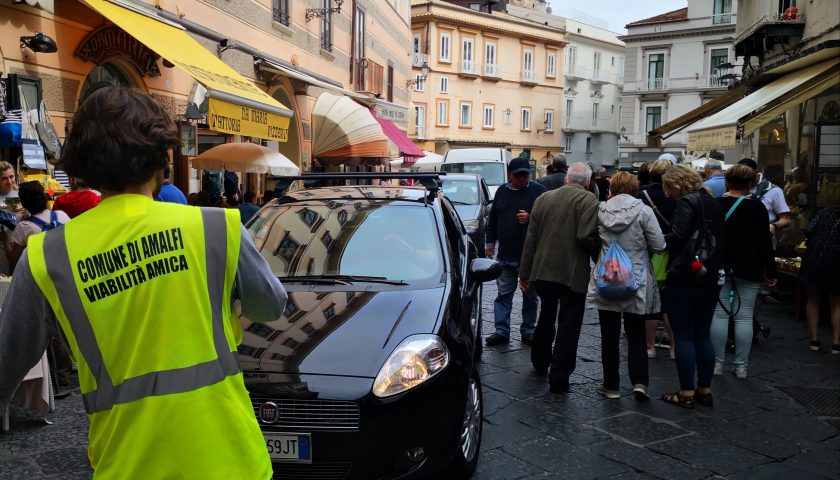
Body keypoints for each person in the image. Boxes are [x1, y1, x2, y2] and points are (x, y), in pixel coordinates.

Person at [0, 87, 287, 480]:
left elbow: (6, 364)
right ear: (161, 161)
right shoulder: (216, 228)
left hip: (128, 464)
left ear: (83, 167)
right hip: (231, 457)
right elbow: (271, 306)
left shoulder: (47, 256)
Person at [519, 162, 600, 394]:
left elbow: (530, 239)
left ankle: (540, 360)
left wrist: (524, 273)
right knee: (569, 324)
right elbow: (585, 236)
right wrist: (600, 256)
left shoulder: (543, 199)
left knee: (546, 314)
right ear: (587, 182)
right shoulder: (588, 200)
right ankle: (559, 376)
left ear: (566, 179)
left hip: (543, 270)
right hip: (572, 272)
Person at [586, 172, 665, 401]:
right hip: (636, 279)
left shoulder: (601, 210)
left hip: (607, 277)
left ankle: (611, 385)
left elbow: (590, 237)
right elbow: (659, 245)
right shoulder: (644, 211)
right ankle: (640, 382)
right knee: (636, 333)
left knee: (608, 334)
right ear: (633, 187)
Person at [659, 164, 724, 409]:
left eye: (669, 188)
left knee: (684, 334)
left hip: (686, 275)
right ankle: (704, 390)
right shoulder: (713, 201)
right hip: (710, 274)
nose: (668, 194)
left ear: (677, 184)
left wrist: (657, 240)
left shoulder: (687, 202)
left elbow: (677, 237)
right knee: (702, 334)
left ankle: (686, 392)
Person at [710, 165, 777, 379]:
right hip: (750, 266)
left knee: (719, 314)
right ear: (750, 184)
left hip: (720, 265)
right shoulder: (757, 208)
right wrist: (771, 270)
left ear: (727, 182)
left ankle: (717, 364)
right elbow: (765, 242)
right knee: (744, 316)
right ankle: (741, 367)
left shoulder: (717, 204)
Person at [484, 157, 546, 346]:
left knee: (530, 296)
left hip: (529, 256)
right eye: (518, 175)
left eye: (525, 175)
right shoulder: (502, 191)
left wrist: (531, 218)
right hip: (506, 254)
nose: (522, 179)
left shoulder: (539, 192)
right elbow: (493, 218)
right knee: (504, 293)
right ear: (510, 175)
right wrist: (490, 241)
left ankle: (528, 330)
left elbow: (548, 219)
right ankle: (501, 331)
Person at [637, 159, 677, 359]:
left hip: (647, 252)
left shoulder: (640, 195)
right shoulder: (676, 197)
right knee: (670, 302)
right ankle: (673, 347)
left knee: (650, 303)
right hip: (671, 251)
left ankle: (650, 346)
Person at [798, 206, 840, 354]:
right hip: (837, 262)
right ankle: (836, 342)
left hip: (816, 260)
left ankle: (814, 339)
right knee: (836, 302)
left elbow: (809, 229)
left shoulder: (825, 212)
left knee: (813, 299)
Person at [4, 181, 71, 271]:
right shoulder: (62, 215)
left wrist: (4, 239)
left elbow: (14, 260)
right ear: (45, 197)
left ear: (24, 205)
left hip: (42, 273)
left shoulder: (24, 227)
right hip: (66, 267)